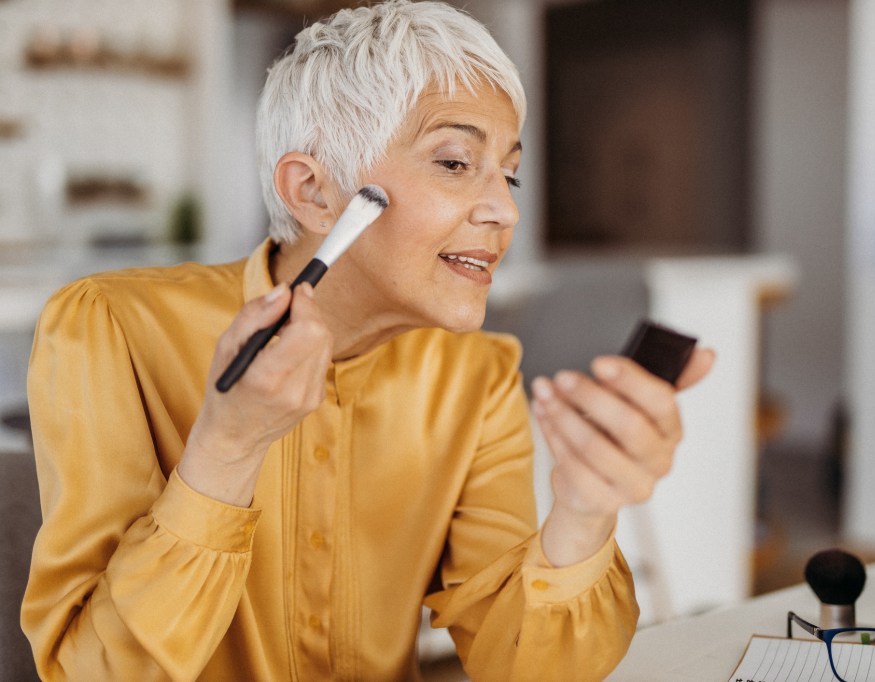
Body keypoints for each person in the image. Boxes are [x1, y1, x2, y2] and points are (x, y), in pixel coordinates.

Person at [21, 1, 714, 680]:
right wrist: (227, 449)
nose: (504, 210)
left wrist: (584, 511)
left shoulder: (478, 377)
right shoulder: (110, 328)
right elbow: (95, 671)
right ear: (315, 192)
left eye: (509, 172)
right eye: (453, 162)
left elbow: (527, 668)